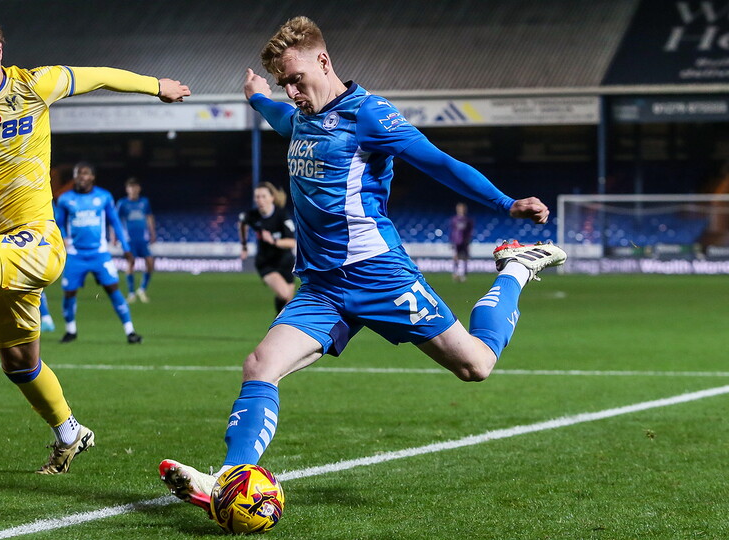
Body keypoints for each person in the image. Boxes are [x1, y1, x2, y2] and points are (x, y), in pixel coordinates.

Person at [159, 15, 565, 511]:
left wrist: (505, 204)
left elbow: (438, 162)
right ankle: (226, 478)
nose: (291, 92)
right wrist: (255, 94)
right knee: (259, 366)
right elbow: (276, 113)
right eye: (284, 83)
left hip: (379, 274)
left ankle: (517, 269)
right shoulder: (299, 116)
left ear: (323, 61)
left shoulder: (369, 114)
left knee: (476, 365)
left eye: (296, 79)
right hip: (322, 286)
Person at [0, 7, 188, 473]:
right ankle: (70, 432)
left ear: (0, 50)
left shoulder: (33, 85)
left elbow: (98, 75)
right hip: (0, 245)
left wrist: (155, 85)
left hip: (39, 241)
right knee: (19, 363)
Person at [55, 163, 143, 344]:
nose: (80, 177)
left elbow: (116, 223)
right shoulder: (65, 199)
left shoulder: (103, 197)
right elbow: (59, 223)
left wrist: (126, 249)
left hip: (99, 254)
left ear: (93, 177)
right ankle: (71, 330)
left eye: (85, 173)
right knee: (69, 292)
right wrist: (63, 237)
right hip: (75, 254)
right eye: (77, 173)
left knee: (113, 289)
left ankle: (130, 331)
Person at [238, 182, 296, 314]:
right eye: (257, 197)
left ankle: (279, 324)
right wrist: (244, 246)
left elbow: (292, 242)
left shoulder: (282, 216)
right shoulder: (252, 216)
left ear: (272, 198)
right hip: (266, 263)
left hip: (285, 261)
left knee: (288, 302)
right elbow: (242, 223)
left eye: (263, 196)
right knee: (285, 294)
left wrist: (274, 241)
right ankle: (279, 322)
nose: (260, 200)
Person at [115, 177, 157, 303]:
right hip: (129, 239)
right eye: (130, 187)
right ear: (127, 189)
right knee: (131, 263)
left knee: (150, 263)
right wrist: (114, 236)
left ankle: (142, 289)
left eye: (135, 187)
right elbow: (115, 220)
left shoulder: (144, 202)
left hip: (142, 239)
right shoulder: (122, 203)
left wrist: (152, 232)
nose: (133, 189)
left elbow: (149, 216)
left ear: (139, 188)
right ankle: (131, 292)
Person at [450, 202, 475, 282]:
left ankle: (463, 274)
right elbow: (452, 231)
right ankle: (455, 273)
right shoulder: (454, 219)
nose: (460, 210)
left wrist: (468, 240)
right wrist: (452, 241)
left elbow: (469, 231)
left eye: (462, 208)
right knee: (456, 257)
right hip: (456, 241)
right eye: (459, 208)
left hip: (465, 241)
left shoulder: (468, 220)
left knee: (465, 258)